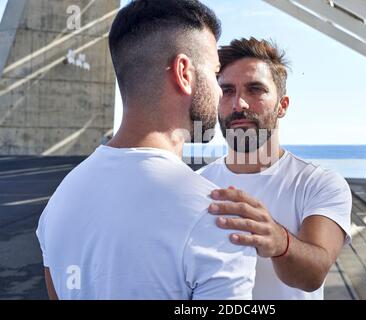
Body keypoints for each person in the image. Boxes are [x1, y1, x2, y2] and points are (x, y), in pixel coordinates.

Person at [35, 0, 256, 300]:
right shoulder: (219, 223)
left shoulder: (59, 204)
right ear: (184, 73)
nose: (220, 92)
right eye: (216, 74)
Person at [198, 37, 352, 300]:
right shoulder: (197, 184)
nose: (239, 104)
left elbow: (313, 274)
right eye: (227, 91)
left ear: (282, 106)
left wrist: (280, 242)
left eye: (255, 89)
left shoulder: (319, 183)